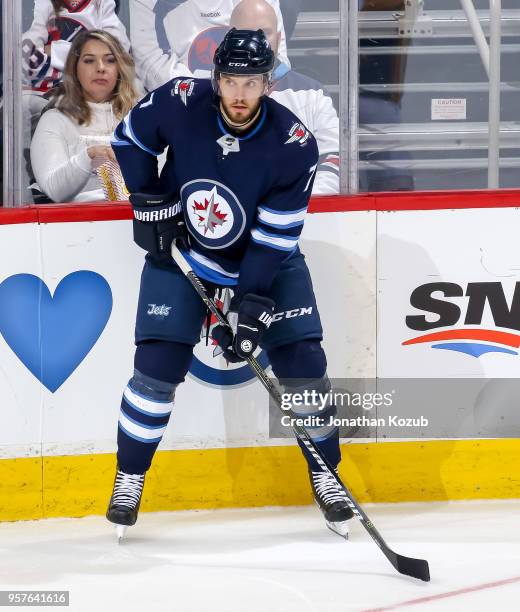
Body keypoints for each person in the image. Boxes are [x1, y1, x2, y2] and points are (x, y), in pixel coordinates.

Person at [106, 28, 353, 539]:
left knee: (304, 362)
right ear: (216, 78)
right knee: (155, 369)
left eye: (252, 82)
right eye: (231, 81)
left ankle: (327, 475)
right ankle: (129, 476)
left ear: (269, 83)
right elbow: (128, 139)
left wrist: (250, 305)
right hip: (185, 252)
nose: (240, 94)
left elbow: (271, 240)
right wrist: (150, 201)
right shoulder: (180, 100)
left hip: (266, 261)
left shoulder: (293, 144)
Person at [230, 0, 339, 194]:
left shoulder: (313, 95)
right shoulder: (208, 97)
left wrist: (290, 207)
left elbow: (332, 162)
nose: (257, 41)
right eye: (247, 33)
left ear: (279, 38)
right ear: (229, 38)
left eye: (264, 32)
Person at [30, 30, 138, 203]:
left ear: (120, 68)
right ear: (74, 69)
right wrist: (90, 155)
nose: (100, 68)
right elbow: (54, 190)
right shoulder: (55, 120)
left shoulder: (140, 119)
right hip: (74, 224)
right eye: (89, 61)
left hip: (138, 220)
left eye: (110, 60)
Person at [129, 0, 289, 91]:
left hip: (251, 103)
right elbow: (151, 67)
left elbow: (278, 62)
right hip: (181, 106)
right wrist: (220, 91)